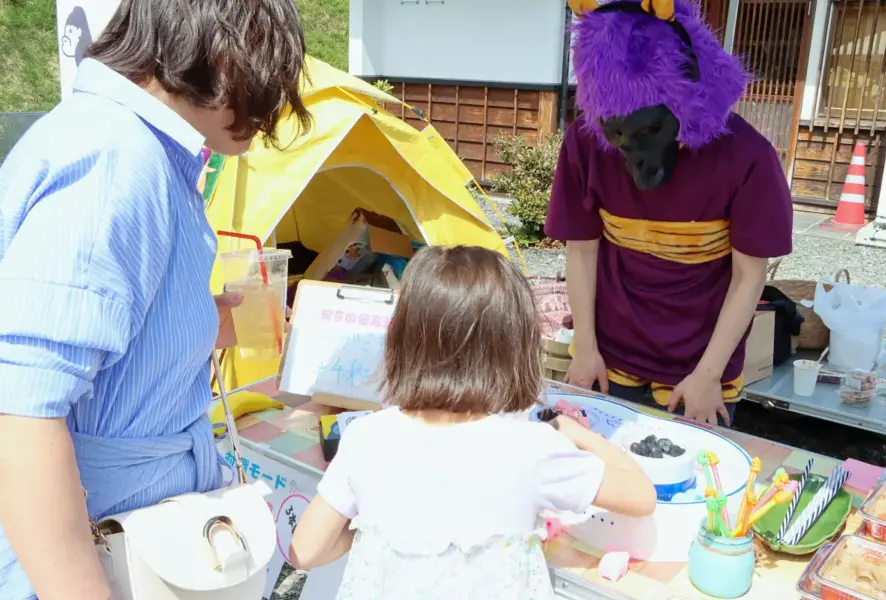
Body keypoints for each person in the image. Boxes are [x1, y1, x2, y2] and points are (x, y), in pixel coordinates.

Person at [0, 1, 310, 599]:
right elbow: (21, 414)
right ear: (221, 50)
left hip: (141, 538)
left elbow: (128, 342)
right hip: (96, 555)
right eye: (264, 85)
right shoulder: (117, 161)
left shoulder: (129, 146)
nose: (264, 116)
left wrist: (222, 317)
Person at [289, 246, 657, 599]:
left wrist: (380, 537)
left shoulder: (366, 436)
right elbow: (642, 495)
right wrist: (571, 430)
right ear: (515, 348)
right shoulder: (533, 447)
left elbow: (305, 551)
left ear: (403, 339)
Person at [547, 0, 793, 427]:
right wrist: (584, 347)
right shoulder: (584, 143)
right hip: (610, 357)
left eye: (648, 131)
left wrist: (709, 374)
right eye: (617, 133)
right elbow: (582, 250)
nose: (633, 151)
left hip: (700, 367)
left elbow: (749, 275)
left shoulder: (747, 156)